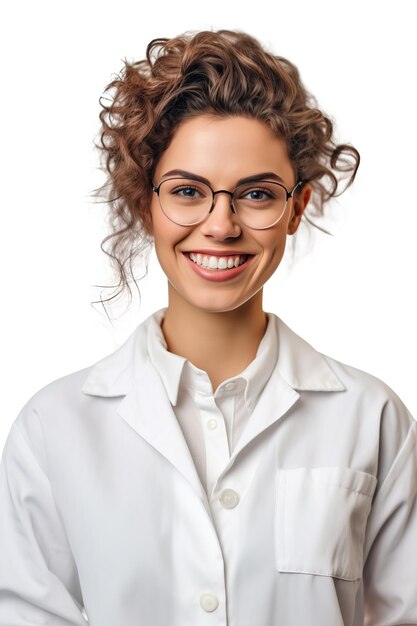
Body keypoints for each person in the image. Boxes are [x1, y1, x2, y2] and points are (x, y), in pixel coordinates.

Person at [0, 29, 416, 626]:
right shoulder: (52, 428)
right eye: (188, 191)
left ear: (295, 210)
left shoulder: (373, 420)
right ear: (145, 203)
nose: (220, 225)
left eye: (256, 194)